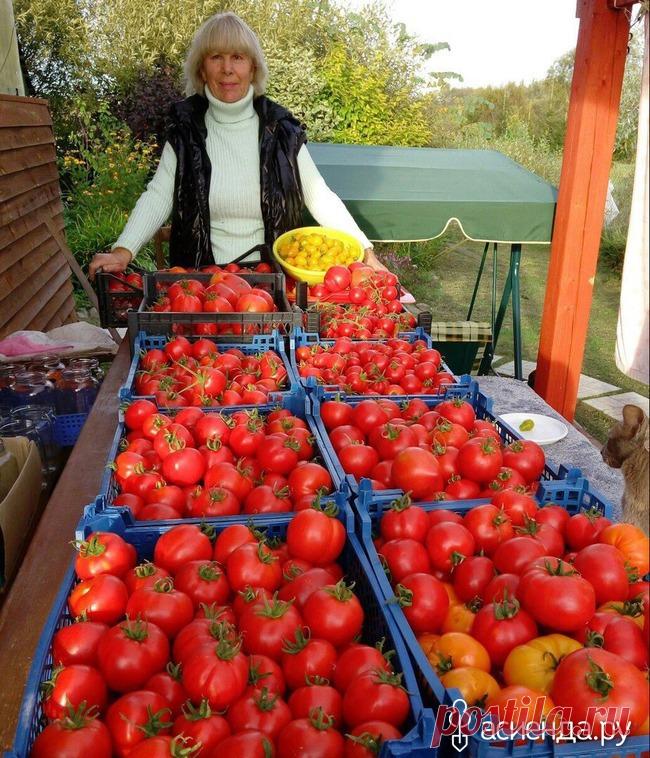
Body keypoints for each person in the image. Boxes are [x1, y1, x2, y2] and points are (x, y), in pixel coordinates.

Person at [88, 11, 385, 278]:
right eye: (216, 57)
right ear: (202, 70)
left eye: (238, 57)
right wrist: (122, 251)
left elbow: (320, 196)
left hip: (272, 282)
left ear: (253, 69)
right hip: (202, 285)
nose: (227, 69)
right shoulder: (185, 129)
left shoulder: (282, 130)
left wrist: (365, 252)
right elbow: (158, 196)